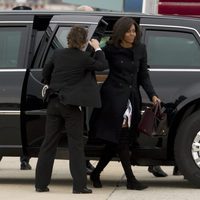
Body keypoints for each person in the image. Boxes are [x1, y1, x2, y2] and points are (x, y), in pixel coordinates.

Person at [89, 17, 163, 190]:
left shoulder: (140, 49)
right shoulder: (110, 49)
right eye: (129, 31)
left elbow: (144, 76)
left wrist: (153, 95)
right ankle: (131, 180)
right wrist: (96, 47)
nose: (132, 34)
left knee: (116, 142)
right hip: (113, 99)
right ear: (121, 32)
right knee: (121, 139)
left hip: (131, 99)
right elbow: (95, 62)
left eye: (134, 30)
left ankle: (96, 173)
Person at [35, 26, 108, 193]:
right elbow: (102, 65)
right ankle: (79, 186)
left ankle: (40, 184)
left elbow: (45, 72)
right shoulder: (83, 58)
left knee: (48, 144)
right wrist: (97, 48)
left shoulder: (57, 54)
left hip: (53, 103)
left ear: (68, 39)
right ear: (83, 42)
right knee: (75, 145)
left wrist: (52, 82)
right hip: (71, 106)